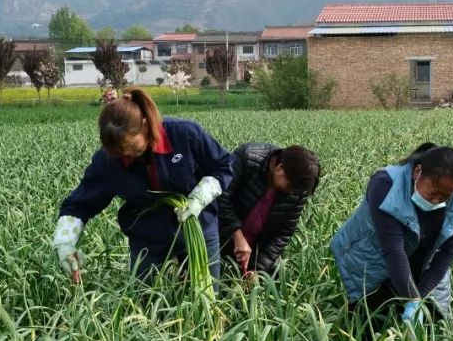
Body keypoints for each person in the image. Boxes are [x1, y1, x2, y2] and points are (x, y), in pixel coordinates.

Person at [51, 87, 235, 285]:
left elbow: (223, 165)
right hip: (148, 238)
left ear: (145, 125)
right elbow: (80, 204)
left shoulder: (184, 134)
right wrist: (64, 242)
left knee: (206, 294)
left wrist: (200, 197)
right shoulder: (109, 161)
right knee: (145, 300)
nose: (126, 154)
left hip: (199, 231)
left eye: (130, 146)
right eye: (119, 151)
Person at [330, 143, 453, 326]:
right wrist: (413, 300)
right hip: (375, 258)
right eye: (434, 192)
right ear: (417, 172)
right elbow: (393, 249)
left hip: (423, 264)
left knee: (430, 325)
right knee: (369, 323)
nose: (437, 200)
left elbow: (446, 255)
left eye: (445, 196)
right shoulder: (386, 185)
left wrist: (419, 298)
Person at [216, 143, 320, 278]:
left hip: (254, 248)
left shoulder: (298, 189)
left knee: (273, 276)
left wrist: (257, 270)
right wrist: (237, 236)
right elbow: (221, 198)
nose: (291, 192)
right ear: (280, 167)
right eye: (290, 186)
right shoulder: (248, 158)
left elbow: (282, 233)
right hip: (221, 235)